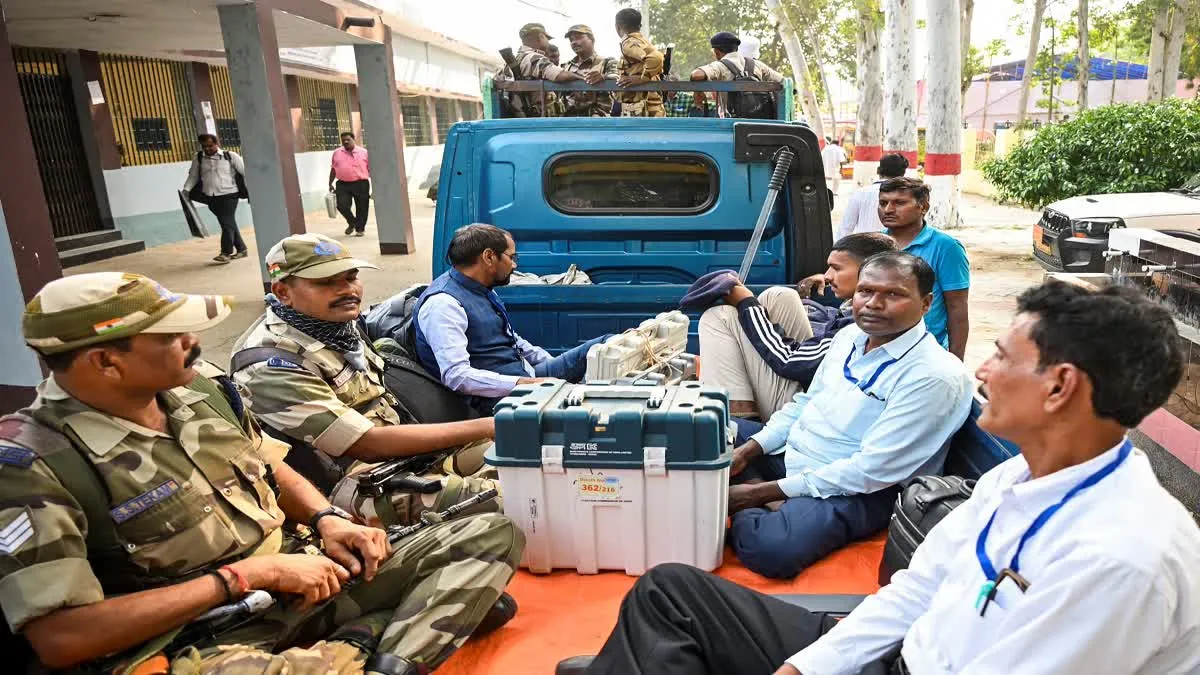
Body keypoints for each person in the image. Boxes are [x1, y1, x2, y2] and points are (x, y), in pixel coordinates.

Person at [556, 279, 1200, 675]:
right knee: (669, 592)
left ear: (1060, 387)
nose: (981, 372)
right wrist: (805, 666)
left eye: (1001, 358)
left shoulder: (1120, 560)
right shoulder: (1015, 479)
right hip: (900, 650)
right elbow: (916, 592)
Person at [1, 272, 525, 675]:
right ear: (105, 362)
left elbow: (269, 464)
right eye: (172, 335)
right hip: (197, 636)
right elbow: (61, 638)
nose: (193, 342)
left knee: (491, 532)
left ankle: (368, 651)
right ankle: (373, 639)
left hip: (307, 578)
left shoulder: (200, 390)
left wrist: (326, 519)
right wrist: (245, 577)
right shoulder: (33, 465)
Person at [726, 252, 974, 578]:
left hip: (858, 488)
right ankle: (758, 487)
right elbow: (804, 404)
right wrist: (749, 450)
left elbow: (870, 470)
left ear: (926, 303)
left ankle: (753, 497)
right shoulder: (849, 337)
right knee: (704, 431)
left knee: (773, 549)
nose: (873, 304)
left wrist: (760, 493)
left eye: (893, 294)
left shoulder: (935, 376)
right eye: (865, 291)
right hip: (795, 453)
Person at [231, 234, 500, 528]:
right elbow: (367, 443)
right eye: (326, 282)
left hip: (408, 456)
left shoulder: (338, 327)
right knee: (504, 497)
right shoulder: (269, 363)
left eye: (351, 277)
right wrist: (487, 425)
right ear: (283, 292)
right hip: (353, 487)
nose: (347, 290)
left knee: (527, 459)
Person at [699, 233, 897, 422]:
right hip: (812, 384)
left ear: (869, 272)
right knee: (779, 296)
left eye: (836, 269)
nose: (827, 276)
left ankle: (740, 419)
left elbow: (789, 361)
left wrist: (747, 303)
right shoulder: (854, 311)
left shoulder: (863, 324)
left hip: (811, 409)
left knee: (719, 316)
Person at [413, 224, 609, 415]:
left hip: (526, 378)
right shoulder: (443, 305)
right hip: (498, 401)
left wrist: (555, 366)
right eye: (511, 257)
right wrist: (522, 383)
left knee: (606, 345)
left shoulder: (483, 289)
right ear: (489, 257)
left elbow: (511, 338)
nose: (514, 265)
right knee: (590, 411)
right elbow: (456, 376)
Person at [879, 177, 970, 359]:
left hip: (926, 353)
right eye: (883, 203)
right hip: (879, 349)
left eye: (899, 203)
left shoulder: (946, 247)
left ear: (923, 207)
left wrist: (955, 361)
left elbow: (957, 308)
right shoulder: (874, 243)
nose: (888, 210)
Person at [183, 133, 248, 264]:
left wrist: (251, 191)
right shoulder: (199, 157)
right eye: (204, 146)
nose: (207, 149)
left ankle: (225, 252)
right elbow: (193, 176)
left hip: (229, 195)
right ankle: (242, 249)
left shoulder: (230, 156)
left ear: (216, 144)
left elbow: (245, 172)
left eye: (210, 145)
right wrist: (186, 189)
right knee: (228, 223)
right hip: (210, 196)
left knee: (226, 223)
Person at [690, 31, 784, 117]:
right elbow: (782, 81)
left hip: (731, 123)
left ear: (717, 52)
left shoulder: (719, 66)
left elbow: (696, 75)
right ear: (736, 48)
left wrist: (697, 92)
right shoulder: (757, 64)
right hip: (760, 121)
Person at [508, 23, 585, 117]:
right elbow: (559, 75)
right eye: (547, 38)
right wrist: (583, 77)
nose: (548, 42)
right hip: (536, 118)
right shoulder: (533, 57)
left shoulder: (517, 58)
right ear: (541, 37)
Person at [837, 153, 908, 238]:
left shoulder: (860, 193)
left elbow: (845, 229)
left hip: (863, 244)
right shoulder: (908, 196)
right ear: (903, 174)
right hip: (896, 245)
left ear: (878, 170)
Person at [614, 8, 665, 117]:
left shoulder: (629, 43)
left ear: (618, 26)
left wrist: (642, 78)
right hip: (648, 106)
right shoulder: (641, 40)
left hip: (644, 109)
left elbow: (656, 58)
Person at [563, 24, 618, 117]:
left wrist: (604, 77)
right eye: (571, 40)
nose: (574, 42)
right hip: (570, 120)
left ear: (592, 39)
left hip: (597, 120)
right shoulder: (566, 66)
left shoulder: (607, 62)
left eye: (578, 37)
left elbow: (617, 77)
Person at [328, 132, 370, 237]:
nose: (346, 142)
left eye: (348, 140)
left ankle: (360, 229)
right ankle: (352, 222)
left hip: (361, 183)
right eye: (343, 140)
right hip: (343, 184)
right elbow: (333, 169)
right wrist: (330, 183)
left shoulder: (364, 152)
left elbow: (371, 168)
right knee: (341, 205)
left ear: (353, 139)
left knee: (362, 207)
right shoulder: (337, 153)